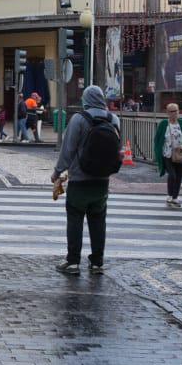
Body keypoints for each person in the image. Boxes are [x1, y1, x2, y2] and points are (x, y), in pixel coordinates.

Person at [51, 85, 122, 276]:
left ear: (86, 99)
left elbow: (68, 150)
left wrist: (57, 173)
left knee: (75, 219)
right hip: (102, 181)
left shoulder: (79, 119)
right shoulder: (113, 119)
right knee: (98, 221)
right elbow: (117, 148)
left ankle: (73, 262)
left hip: (80, 180)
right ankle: (97, 262)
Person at [152, 103, 182, 209]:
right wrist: (157, 153)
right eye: (171, 111)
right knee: (172, 175)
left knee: (179, 175)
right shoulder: (164, 124)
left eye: (176, 111)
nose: (174, 113)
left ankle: (175, 197)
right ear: (167, 113)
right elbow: (157, 139)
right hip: (167, 153)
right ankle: (169, 195)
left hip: (180, 153)